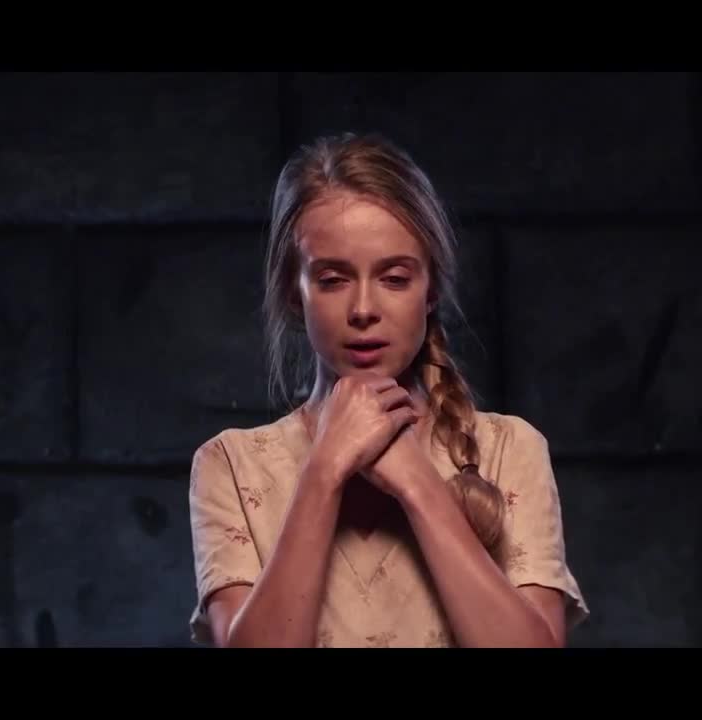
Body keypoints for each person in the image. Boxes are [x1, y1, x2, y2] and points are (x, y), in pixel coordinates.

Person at [186, 132, 588, 648]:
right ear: (293, 291)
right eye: (332, 280)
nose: (363, 310)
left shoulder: (510, 451)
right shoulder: (231, 466)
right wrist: (324, 470)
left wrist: (417, 484)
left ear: (431, 289)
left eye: (394, 278)